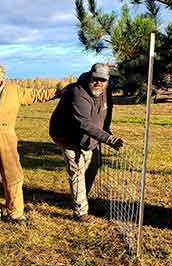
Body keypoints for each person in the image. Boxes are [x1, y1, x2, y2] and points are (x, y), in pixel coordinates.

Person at [0, 62, 59, 225]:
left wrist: (58, 92)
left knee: (13, 177)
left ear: (3, 75)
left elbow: (36, 95)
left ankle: (15, 213)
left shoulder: (14, 90)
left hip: (8, 142)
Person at [49, 63, 125, 221]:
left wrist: (106, 130)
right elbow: (84, 123)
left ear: (107, 81)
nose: (98, 83)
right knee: (77, 171)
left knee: (93, 167)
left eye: (102, 80)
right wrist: (108, 138)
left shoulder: (105, 91)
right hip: (68, 136)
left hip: (90, 137)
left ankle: (84, 201)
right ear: (90, 76)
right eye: (95, 79)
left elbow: (106, 112)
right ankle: (81, 212)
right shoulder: (78, 93)